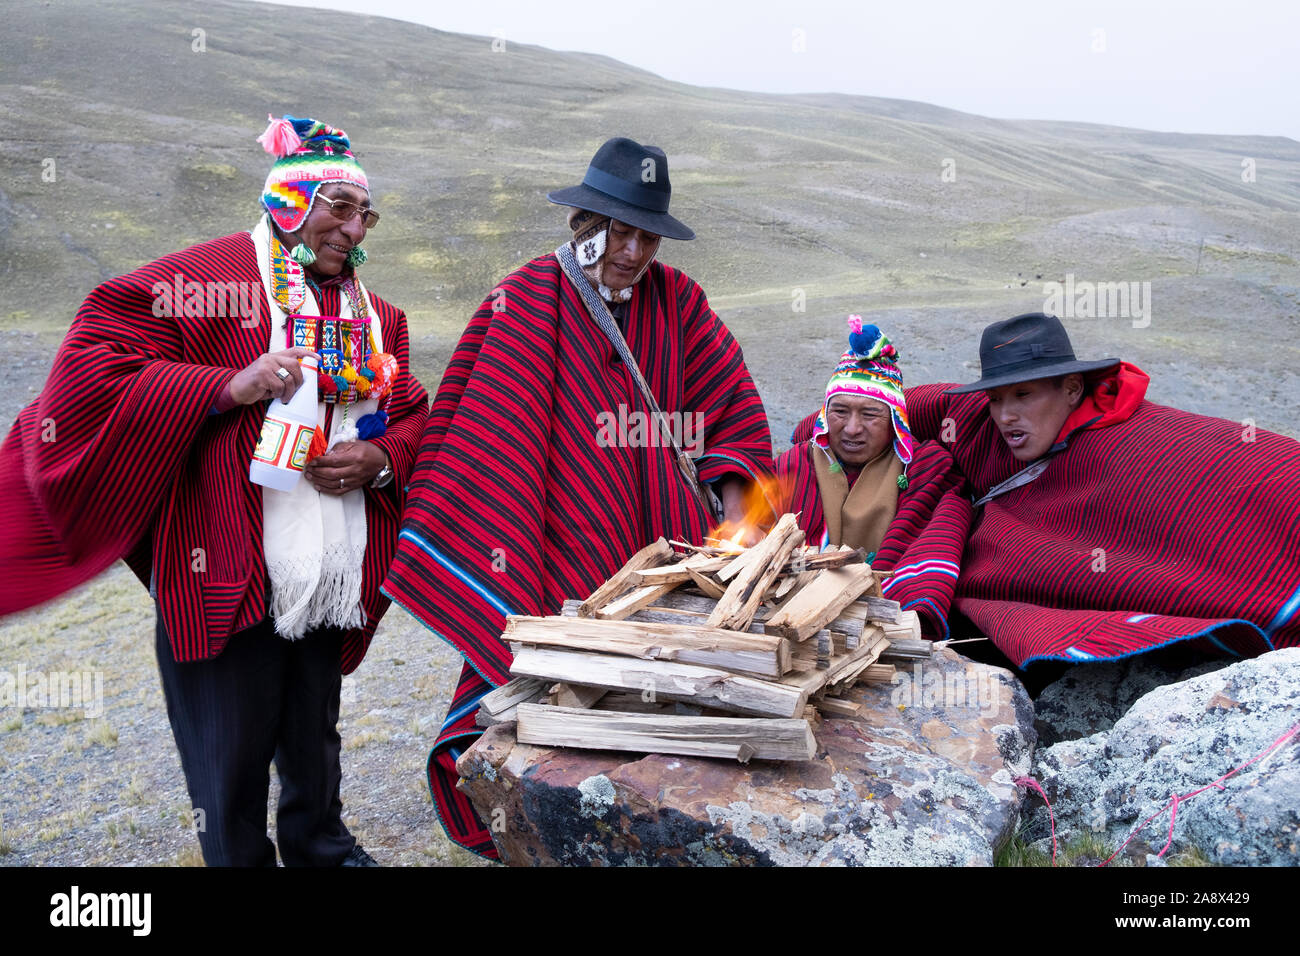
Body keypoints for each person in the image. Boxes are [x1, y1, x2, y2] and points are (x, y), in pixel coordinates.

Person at [0, 115, 430, 865]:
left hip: (329, 565)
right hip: (224, 553)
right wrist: (225, 386)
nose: (354, 228)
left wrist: (381, 458)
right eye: (338, 205)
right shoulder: (210, 282)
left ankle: (321, 846)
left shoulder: (377, 315)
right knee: (230, 742)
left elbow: (417, 412)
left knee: (313, 724)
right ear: (290, 198)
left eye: (365, 214)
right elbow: (93, 363)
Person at [382, 136, 774, 859]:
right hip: (546, 536)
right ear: (585, 223)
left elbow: (731, 401)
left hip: (659, 547)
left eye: (646, 234)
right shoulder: (527, 297)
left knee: (655, 699)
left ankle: (644, 825)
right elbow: (480, 423)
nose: (631, 250)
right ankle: (551, 829)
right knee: (550, 698)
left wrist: (731, 495)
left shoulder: (678, 300)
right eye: (617, 231)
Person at [889, 311, 1298, 668]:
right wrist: (834, 413)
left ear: (1071, 388)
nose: (1005, 414)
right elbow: (908, 404)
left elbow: (1239, 478)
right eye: (995, 398)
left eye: (1023, 394)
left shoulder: (1128, 442)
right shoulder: (985, 424)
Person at [774, 318, 970, 637]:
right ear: (825, 413)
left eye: (870, 414)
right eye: (840, 412)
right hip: (784, 615)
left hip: (882, 623)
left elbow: (931, 544)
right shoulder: (793, 465)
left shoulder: (927, 468)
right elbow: (759, 544)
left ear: (895, 419)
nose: (852, 428)